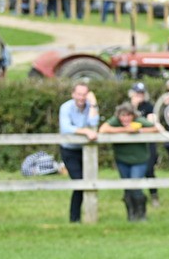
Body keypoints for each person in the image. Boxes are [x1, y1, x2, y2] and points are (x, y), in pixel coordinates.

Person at [99, 103, 157, 221]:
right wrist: (124, 130)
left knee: (135, 186)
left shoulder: (139, 120)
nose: (125, 118)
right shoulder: (115, 121)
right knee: (127, 187)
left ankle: (141, 214)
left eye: (128, 115)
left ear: (133, 115)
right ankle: (131, 214)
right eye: (123, 116)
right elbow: (103, 129)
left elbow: (156, 128)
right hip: (122, 160)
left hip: (139, 160)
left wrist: (139, 131)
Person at [59, 82, 99, 223]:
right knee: (79, 182)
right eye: (79, 94)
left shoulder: (90, 107)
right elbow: (66, 128)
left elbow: (94, 122)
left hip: (86, 150)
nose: (81, 97)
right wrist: (86, 131)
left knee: (88, 181)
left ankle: (79, 218)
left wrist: (93, 104)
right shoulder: (65, 107)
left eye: (84, 94)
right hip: (69, 150)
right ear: (73, 94)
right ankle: (74, 217)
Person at [126, 82, 160, 206]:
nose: (139, 95)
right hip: (132, 145)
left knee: (149, 170)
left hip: (147, 143)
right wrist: (133, 108)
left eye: (141, 93)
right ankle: (131, 197)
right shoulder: (127, 107)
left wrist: (140, 128)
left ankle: (154, 195)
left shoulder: (149, 106)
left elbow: (152, 123)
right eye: (137, 93)